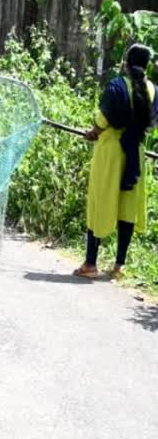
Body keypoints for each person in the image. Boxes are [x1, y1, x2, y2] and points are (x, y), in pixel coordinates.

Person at [74, 43, 157, 280]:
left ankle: (90, 264)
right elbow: (150, 123)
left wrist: (92, 132)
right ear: (147, 65)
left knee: (101, 202)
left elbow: (103, 121)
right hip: (136, 156)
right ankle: (119, 266)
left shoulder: (117, 86)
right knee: (127, 208)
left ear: (126, 63)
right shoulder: (154, 90)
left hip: (111, 153)